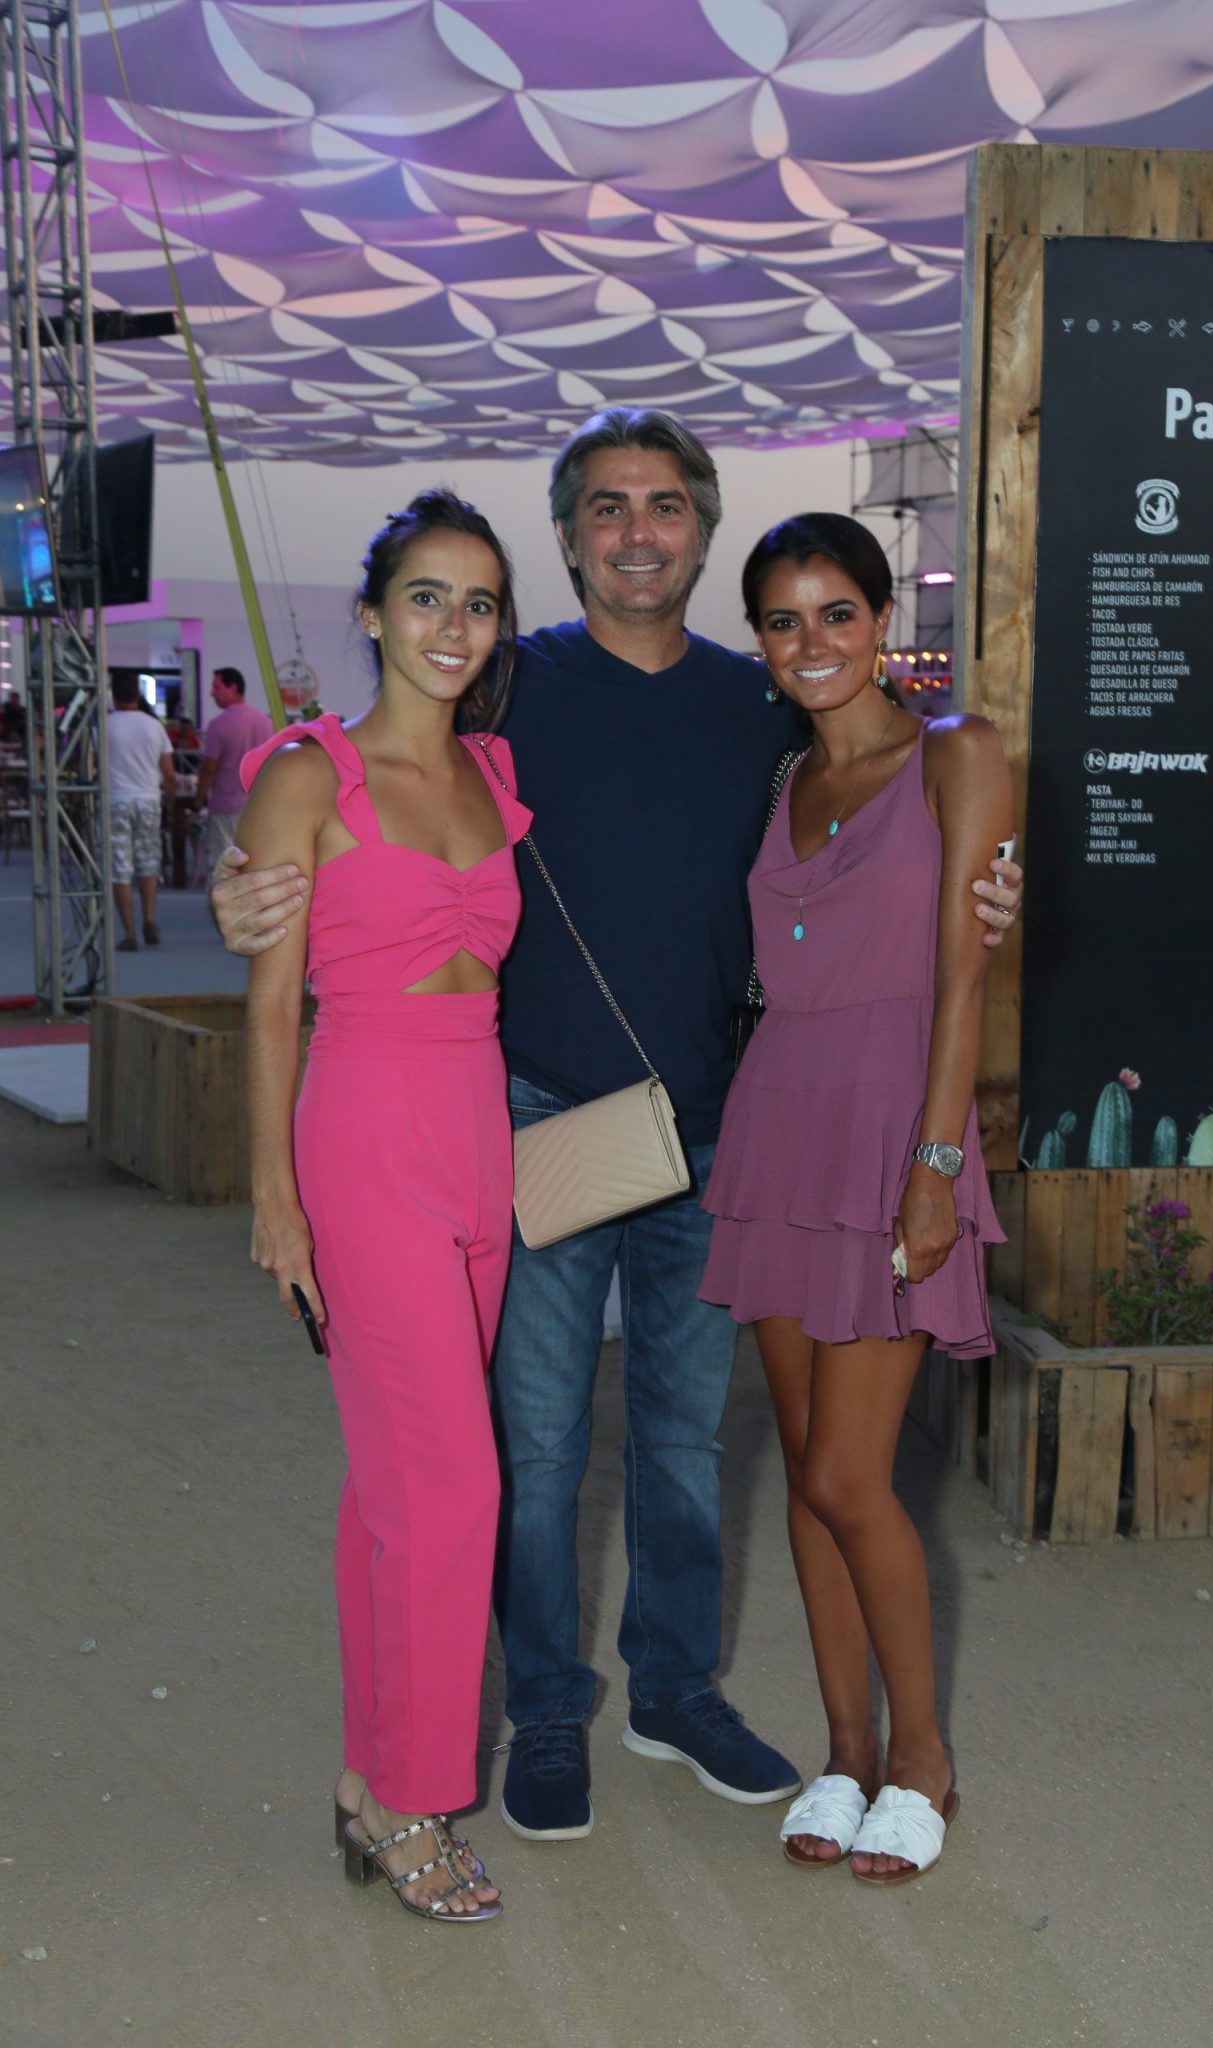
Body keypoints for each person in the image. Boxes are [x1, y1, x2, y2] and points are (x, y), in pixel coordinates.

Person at [210, 408, 1024, 1846]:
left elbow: (883, 841)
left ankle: (674, 1689)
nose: (636, 531)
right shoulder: (503, 689)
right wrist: (243, 883)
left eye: (663, 505)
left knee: (681, 1442)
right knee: (528, 1445)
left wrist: (993, 893)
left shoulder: (764, 706)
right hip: (530, 1119)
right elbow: (350, 789)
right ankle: (541, 1708)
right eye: (605, 506)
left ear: (700, 532)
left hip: (722, 1127)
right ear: (567, 534)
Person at [700, 512, 1012, 1885]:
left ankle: (921, 1755)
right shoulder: (779, 777)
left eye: (836, 612)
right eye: (783, 619)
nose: (812, 641)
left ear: (884, 621)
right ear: (760, 642)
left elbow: (963, 973)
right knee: (799, 1465)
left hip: (895, 1125)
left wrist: (935, 1167)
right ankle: (843, 1748)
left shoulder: (956, 755)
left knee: (847, 1472)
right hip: (778, 1123)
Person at [235, 490, 524, 1923]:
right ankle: (416, 1796)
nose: (450, 625)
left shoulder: (493, 771)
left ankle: (364, 1774)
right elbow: (269, 1006)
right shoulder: (306, 775)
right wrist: (272, 1195)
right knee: (455, 1483)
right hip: (364, 1135)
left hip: (481, 1136)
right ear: (370, 612)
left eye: (477, 602)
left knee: (392, 1487)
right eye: (425, 595)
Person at [106, 671, 175, 950]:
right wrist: (169, 801)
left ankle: (130, 933)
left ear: (113, 695)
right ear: (138, 694)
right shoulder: (154, 726)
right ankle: (149, 918)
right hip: (148, 799)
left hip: (116, 799)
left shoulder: (104, 725)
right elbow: (168, 772)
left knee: (119, 868)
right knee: (148, 862)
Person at [196, 667, 272, 876]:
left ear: (233, 687)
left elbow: (209, 768)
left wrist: (198, 800)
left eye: (216, 687)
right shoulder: (266, 723)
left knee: (222, 867)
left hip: (225, 805)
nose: (212, 693)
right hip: (258, 805)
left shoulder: (218, 725)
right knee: (254, 865)